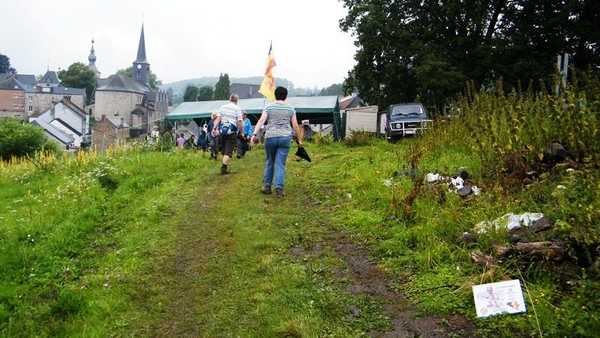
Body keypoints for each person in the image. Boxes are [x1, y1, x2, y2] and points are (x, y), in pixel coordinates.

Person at [251, 86, 303, 197]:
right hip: (285, 137)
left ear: (275, 95)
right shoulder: (290, 108)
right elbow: (295, 126)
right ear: (286, 96)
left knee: (270, 161)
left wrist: (254, 134)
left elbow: (261, 121)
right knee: (280, 163)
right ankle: (279, 189)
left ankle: (267, 186)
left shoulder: (269, 107)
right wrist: (299, 140)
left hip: (270, 137)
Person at [211, 94, 244, 174]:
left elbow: (218, 119)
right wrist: (242, 132)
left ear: (230, 99)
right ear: (237, 100)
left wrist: (214, 128)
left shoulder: (222, 107)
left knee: (224, 150)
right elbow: (239, 122)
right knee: (228, 151)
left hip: (222, 131)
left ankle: (224, 165)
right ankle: (224, 168)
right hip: (231, 132)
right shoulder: (237, 109)